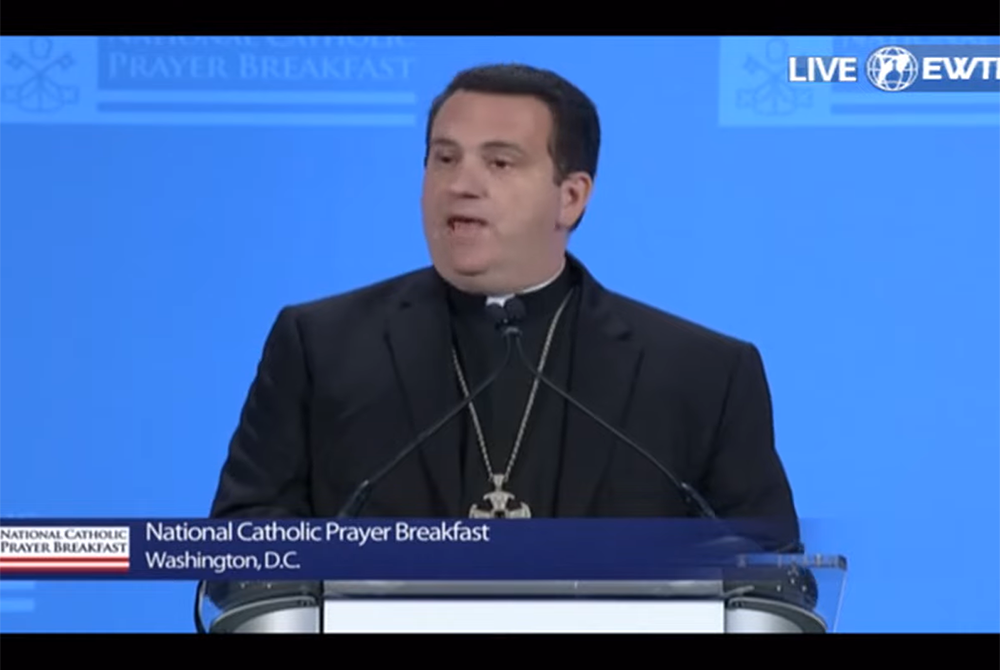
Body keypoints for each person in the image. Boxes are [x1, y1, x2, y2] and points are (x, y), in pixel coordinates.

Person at [209, 63, 800, 549]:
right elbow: (243, 541)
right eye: (444, 158)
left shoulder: (703, 374)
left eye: (498, 162)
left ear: (570, 198)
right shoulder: (320, 345)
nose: (461, 183)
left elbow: (772, 576)